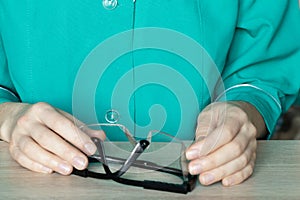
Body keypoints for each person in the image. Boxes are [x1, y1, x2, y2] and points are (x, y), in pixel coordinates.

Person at [0, 0, 299, 187]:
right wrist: (7, 118)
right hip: (32, 182)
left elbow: (264, 68)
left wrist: (242, 110)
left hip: (205, 182)